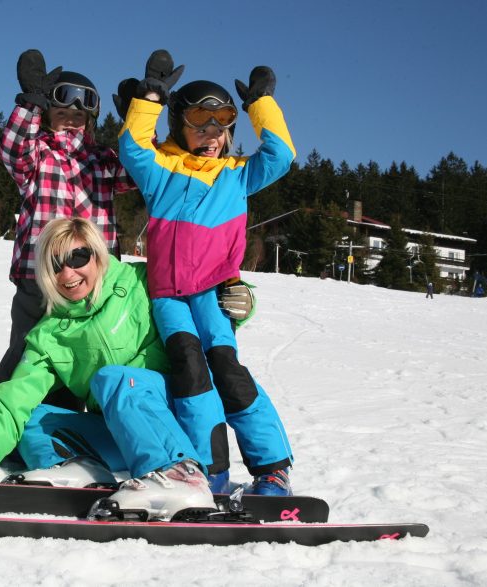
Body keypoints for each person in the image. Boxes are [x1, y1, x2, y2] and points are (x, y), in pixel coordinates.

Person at [0, 217, 223, 521]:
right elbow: (12, 402)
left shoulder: (139, 281)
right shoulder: (49, 335)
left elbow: (201, 287)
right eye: (55, 264)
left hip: (177, 419)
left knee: (114, 379)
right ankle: (76, 467)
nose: (68, 273)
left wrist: (236, 297)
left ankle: (179, 473)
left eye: (78, 257)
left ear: (97, 253)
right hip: (123, 433)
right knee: (33, 417)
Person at [114, 51, 295, 495]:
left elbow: (281, 155)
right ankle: (209, 470)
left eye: (222, 125)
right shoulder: (161, 170)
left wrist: (260, 107)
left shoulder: (238, 175)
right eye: (201, 122)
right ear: (179, 125)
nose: (213, 134)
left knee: (227, 372)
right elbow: (133, 145)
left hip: (214, 294)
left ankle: (272, 468)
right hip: (169, 296)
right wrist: (151, 96)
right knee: (190, 374)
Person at [0, 49, 137, 410]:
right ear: (46, 117)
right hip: (38, 277)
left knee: (81, 354)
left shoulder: (104, 162)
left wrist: (138, 122)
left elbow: (142, 173)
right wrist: (30, 103)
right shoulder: (37, 155)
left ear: (90, 120)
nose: (71, 120)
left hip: (91, 280)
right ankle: (12, 418)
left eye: (79, 114)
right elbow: (12, 149)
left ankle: (75, 424)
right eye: (61, 113)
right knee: (26, 351)